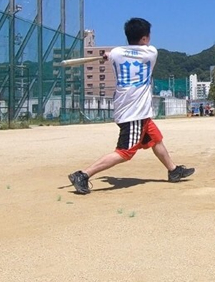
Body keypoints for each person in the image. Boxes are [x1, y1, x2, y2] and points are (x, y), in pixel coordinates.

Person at [68, 18, 194, 195]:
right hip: (133, 113)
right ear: (144, 38)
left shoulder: (116, 53)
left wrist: (108, 55)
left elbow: (119, 53)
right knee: (125, 152)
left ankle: (173, 170)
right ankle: (83, 175)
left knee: (155, 139)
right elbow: (134, 52)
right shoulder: (151, 53)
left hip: (132, 110)